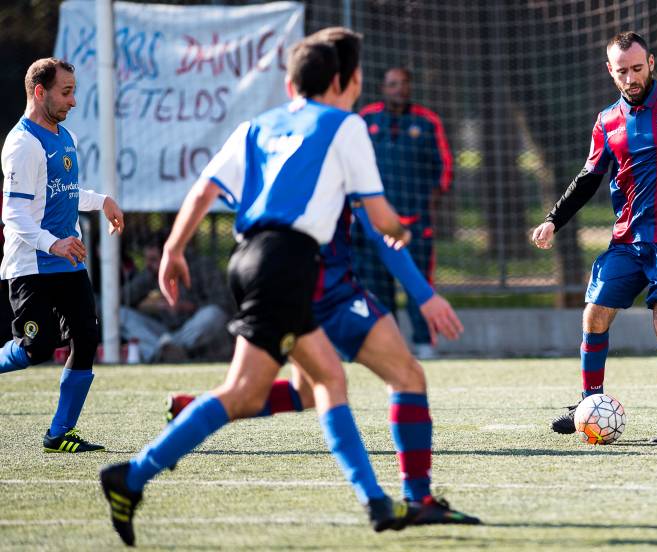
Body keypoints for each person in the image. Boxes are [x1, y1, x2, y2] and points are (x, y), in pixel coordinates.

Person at [99, 29, 423, 547]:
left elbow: (205, 188)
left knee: (327, 381)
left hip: (250, 257)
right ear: (344, 80)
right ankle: (132, 475)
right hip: (288, 264)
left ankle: (377, 503)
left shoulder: (259, 125)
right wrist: (403, 231)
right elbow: (379, 214)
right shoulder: (345, 125)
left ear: (290, 84)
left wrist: (176, 249)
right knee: (242, 392)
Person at [167, 197, 480, 525]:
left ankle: (193, 411)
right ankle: (419, 498)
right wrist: (424, 295)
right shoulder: (342, 146)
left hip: (270, 277)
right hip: (326, 290)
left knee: (302, 392)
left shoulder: (262, 144)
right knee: (407, 376)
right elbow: (380, 231)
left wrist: (173, 248)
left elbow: (212, 191)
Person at [531, 32, 657, 444]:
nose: (630, 78)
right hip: (627, 241)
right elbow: (588, 178)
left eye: (637, 69)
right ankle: (589, 403)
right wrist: (554, 219)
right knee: (594, 315)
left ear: (651, 63)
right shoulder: (607, 121)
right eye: (622, 71)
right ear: (610, 71)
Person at [0, 58, 125, 453]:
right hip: (32, 264)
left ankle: (59, 433)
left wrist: (101, 200)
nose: (73, 101)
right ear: (40, 92)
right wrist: (51, 243)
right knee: (36, 347)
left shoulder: (63, 136)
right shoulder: (22, 144)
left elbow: (63, 192)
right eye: (66, 92)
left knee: (86, 338)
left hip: (67, 260)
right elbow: (13, 214)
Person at [356, 67, 453, 360]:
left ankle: (424, 345)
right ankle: (389, 348)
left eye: (403, 84)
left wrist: (427, 206)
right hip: (372, 225)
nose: (398, 89)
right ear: (383, 88)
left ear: (410, 87)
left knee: (419, 285)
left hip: (414, 225)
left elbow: (445, 169)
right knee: (377, 288)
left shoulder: (427, 121)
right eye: (392, 84)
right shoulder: (366, 119)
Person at [120, 238, 232, 362]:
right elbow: (124, 298)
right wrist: (152, 306)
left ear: (168, 256)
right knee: (121, 315)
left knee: (213, 314)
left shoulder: (201, 267)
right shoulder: (151, 273)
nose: (148, 265)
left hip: (193, 330)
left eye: (153, 259)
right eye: (147, 259)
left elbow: (224, 303)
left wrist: (187, 306)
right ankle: (164, 351)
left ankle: (164, 350)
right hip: (164, 332)